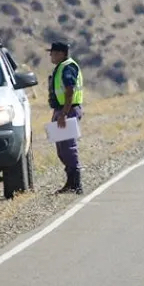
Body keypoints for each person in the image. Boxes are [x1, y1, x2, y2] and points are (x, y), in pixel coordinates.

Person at [48, 41, 85, 195]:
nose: (51, 56)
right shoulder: (61, 67)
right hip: (62, 110)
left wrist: (63, 113)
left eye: (53, 53)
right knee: (62, 149)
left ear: (62, 54)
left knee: (69, 147)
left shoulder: (67, 67)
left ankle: (76, 183)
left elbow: (69, 90)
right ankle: (70, 183)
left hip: (67, 111)